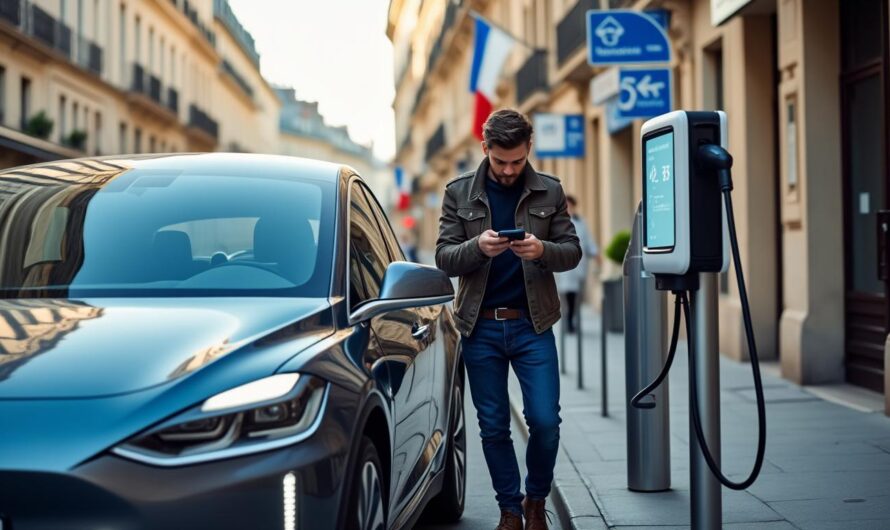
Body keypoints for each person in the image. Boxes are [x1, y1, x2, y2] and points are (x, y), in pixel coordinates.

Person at [435, 109, 581, 530]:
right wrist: (478, 246)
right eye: (501, 161)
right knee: (494, 424)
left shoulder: (549, 191)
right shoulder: (459, 193)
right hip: (479, 327)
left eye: (517, 161)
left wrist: (543, 251)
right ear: (486, 148)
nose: (509, 170)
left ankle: (536, 499)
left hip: (533, 325)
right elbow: (444, 257)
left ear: (528, 150)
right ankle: (510, 510)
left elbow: (571, 251)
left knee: (544, 421)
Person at [555, 195, 599, 333]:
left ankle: (573, 321)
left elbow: (588, 241)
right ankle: (567, 322)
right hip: (563, 267)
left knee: (576, 296)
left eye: (570, 205)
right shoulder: (558, 222)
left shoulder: (581, 223)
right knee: (564, 296)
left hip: (579, 266)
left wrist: (596, 254)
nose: (569, 208)